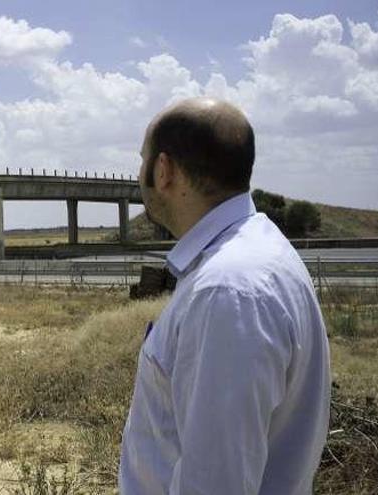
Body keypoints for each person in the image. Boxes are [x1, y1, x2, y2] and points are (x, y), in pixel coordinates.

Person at [119, 97, 331, 494]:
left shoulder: (227, 291)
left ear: (164, 170)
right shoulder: (258, 255)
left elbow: (217, 483)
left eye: (142, 158)